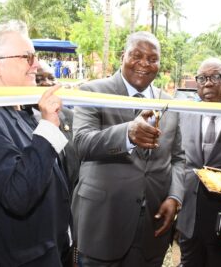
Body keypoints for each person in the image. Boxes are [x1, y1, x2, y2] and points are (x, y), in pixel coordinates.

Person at [0, 20, 72, 266]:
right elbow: (19, 194)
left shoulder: (21, 111)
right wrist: (49, 125)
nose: (36, 64)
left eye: (35, 56)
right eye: (27, 57)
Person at [71, 31, 185, 267]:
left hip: (152, 229)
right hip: (103, 224)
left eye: (152, 59)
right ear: (123, 56)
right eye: (136, 55)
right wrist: (127, 134)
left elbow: (178, 158)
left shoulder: (169, 103)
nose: (144, 64)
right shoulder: (93, 91)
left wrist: (174, 196)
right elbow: (82, 143)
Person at [176, 58, 221, 267]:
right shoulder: (185, 113)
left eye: (215, 77)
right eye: (202, 78)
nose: (208, 83)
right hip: (189, 220)